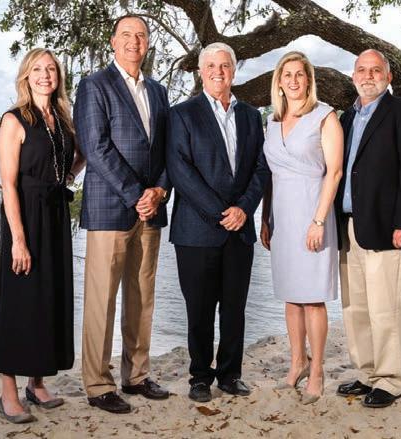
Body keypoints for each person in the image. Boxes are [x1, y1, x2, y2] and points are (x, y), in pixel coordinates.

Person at [73, 15, 171, 414]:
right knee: (102, 299)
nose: (134, 41)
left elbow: (167, 148)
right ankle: (98, 384)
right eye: (127, 35)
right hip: (110, 210)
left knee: (142, 297)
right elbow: (95, 148)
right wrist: (136, 195)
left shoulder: (159, 91)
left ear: (148, 43)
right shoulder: (94, 85)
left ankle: (137, 375)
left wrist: (160, 190)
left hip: (151, 211)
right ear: (113, 41)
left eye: (141, 35)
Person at [166, 42, 270, 403]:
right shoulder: (182, 114)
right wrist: (220, 212)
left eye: (224, 65)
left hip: (240, 230)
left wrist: (244, 209)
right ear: (200, 71)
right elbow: (181, 170)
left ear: (234, 71)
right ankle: (199, 376)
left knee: (234, 308)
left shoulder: (251, 116)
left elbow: (261, 168)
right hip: (196, 231)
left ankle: (229, 374)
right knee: (198, 310)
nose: (218, 72)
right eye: (210, 65)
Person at [0, 48, 85, 423]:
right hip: (26, 216)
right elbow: (8, 184)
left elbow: (79, 156)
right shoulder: (14, 120)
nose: (45, 75)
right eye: (37, 69)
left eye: (51, 69)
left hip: (55, 213)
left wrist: (68, 175)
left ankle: (37, 383)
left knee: (49, 297)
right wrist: (18, 239)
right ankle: (8, 393)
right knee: (21, 301)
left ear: (58, 77)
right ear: (26, 76)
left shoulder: (62, 119)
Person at [334, 49, 401, 408]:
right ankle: (367, 372)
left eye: (376, 70)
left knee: (387, 308)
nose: (368, 76)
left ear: (389, 77)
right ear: (353, 76)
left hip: (389, 229)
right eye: (362, 70)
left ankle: (389, 380)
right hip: (349, 228)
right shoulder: (346, 117)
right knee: (355, 307)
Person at [260, 51, 343, 404]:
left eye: (299, 74)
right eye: (287, 74)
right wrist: (266, 218)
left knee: (312, 298)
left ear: (309, 80)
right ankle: (297, 362)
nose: (293, 80)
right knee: (291, 296)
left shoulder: (325, 117)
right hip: (282, 216)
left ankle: (318, 370)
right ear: (279, 82)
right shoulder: (272, 121)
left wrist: (319, 220)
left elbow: (334, 172)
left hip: (313, 214)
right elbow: (270, 176)